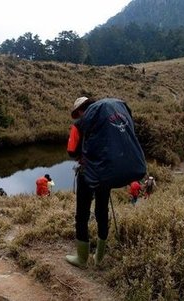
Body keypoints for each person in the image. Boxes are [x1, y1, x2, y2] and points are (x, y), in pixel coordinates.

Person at [65, 96, 108, 268]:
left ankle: (82, 259)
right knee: (102, 212)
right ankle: (99, 257)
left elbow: (71, 152)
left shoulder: (79, 125)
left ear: (81, 110)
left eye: (78, 112)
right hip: (105, 172)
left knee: (82, 215)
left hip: (87, 173)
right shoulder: (106, 122)